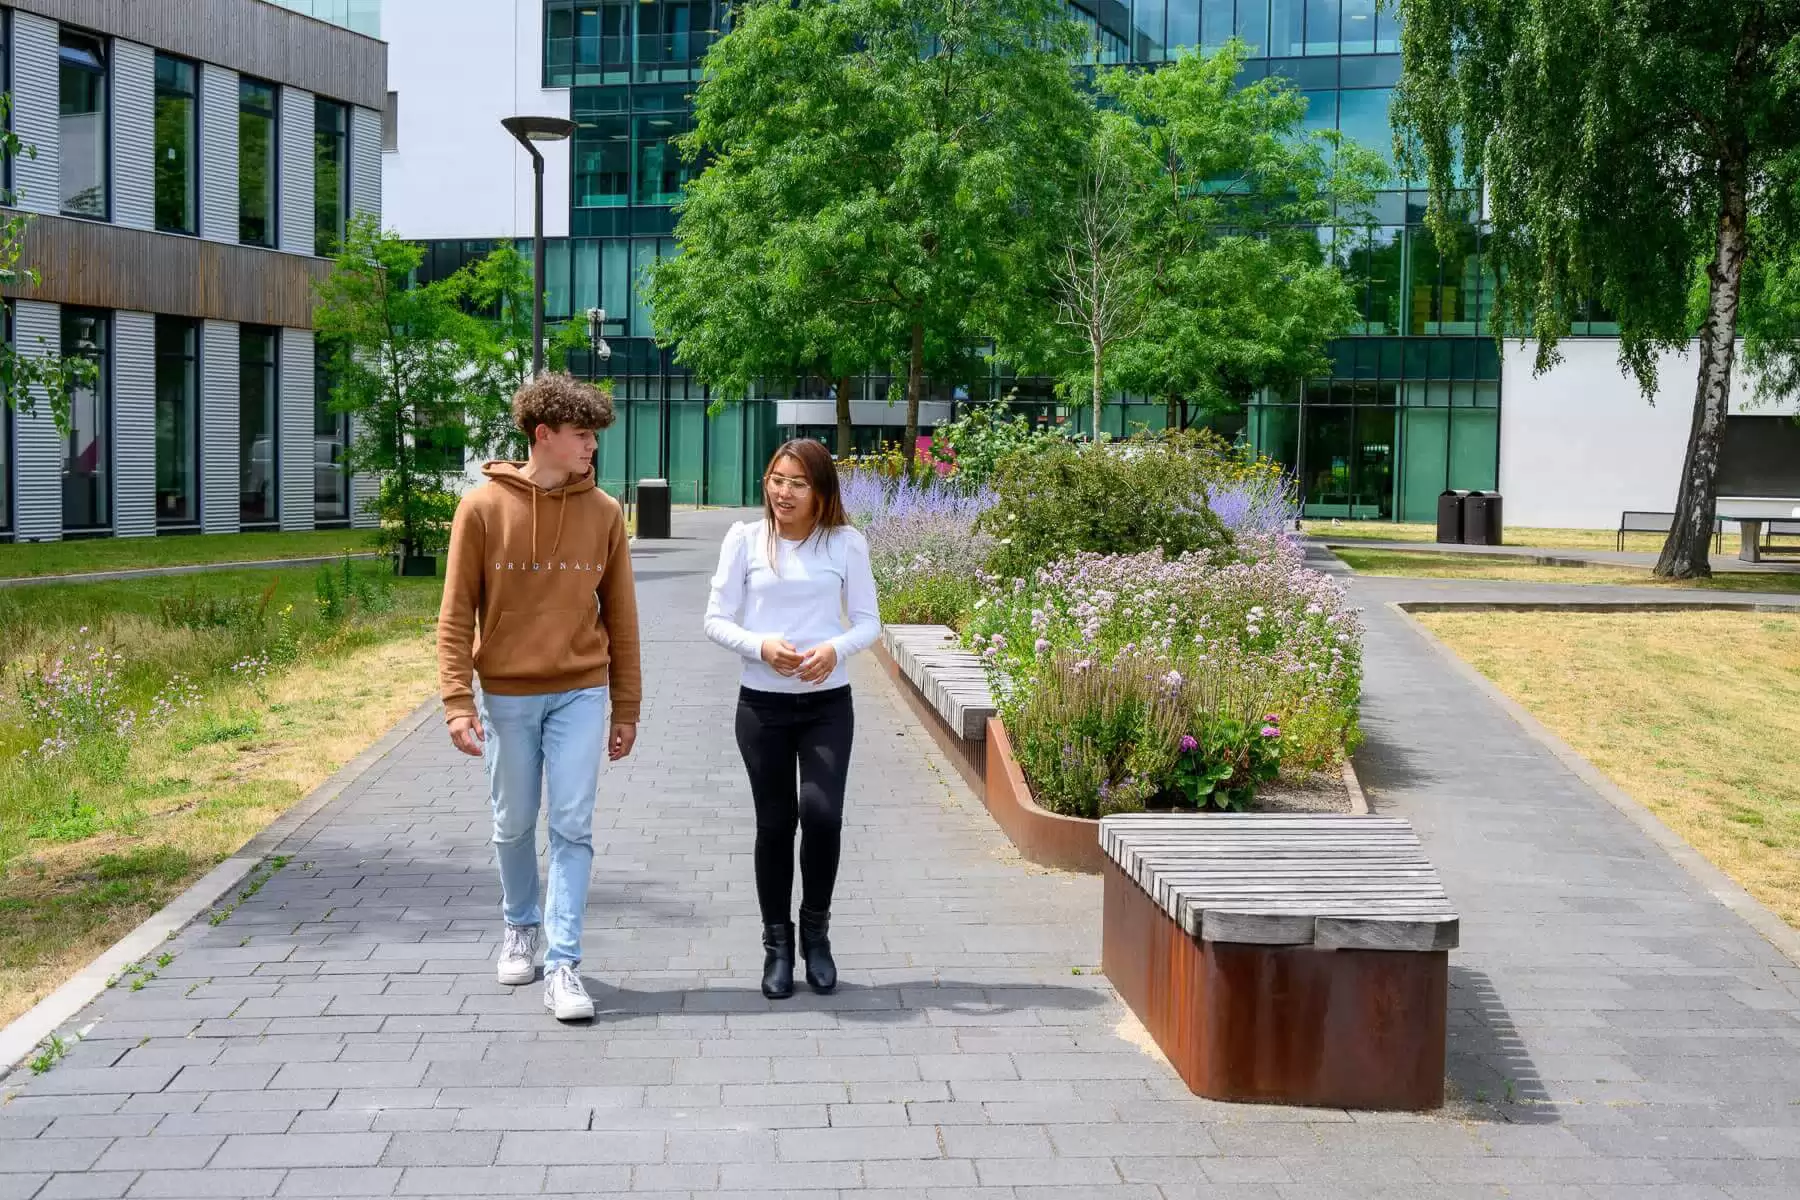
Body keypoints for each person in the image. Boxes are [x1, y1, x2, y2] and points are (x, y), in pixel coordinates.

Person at [437, 372, 641, 1022]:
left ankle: (564, 966)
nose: (592, 449)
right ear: (543, 435)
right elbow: (455, 613)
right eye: (583, 436)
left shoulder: (605, 513)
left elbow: (624, 620)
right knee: (514, 822)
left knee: (573, 827)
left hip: (580, 693)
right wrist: (456, 701)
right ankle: (520, 925)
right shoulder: (481, 509)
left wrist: (625, 707)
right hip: (507, 696)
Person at [703, 440, 882, 999]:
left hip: (828, 704)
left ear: (821, 491)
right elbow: (715, 618)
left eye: (797, 483)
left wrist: (835, 650)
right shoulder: (745, 541)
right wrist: (760, 646)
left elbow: (869, 622)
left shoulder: (846, 544)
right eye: (776, 480)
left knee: (823, 817)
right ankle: (777, 947)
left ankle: (817, 937)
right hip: (763, 706)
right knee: (776, 825)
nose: (783, 492)